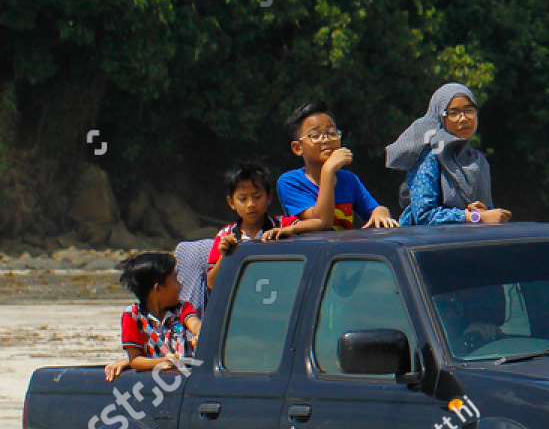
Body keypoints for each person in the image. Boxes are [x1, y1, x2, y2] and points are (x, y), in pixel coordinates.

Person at [385, 84, 512, 226]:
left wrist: (480, 212)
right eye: (453, 113)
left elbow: (487, 215)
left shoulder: (478, 160)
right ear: (440, 118)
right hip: (426, 245)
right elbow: (424, 216)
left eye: (469, 110)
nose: (463, 118)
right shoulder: (430, 159)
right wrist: (474, 217)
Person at [277, 101, 398, 232]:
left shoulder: (349, 179)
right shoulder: (290, 182)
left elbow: (374, 208)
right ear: (297, 148)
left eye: (332, 133)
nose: (327, 140)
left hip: (343, 251)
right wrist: (328, 171)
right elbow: (323, 222)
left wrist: (381, 212)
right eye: (316, 136)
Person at [205, 162, 314, 290]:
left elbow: (320, 223)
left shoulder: (281, 224)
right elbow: (211, 284)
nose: (251, 204)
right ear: (231, 202)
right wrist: (224, 256)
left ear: (269, 197)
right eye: (242, 199)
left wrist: (289, 230)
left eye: (257, 197)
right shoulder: (225, 235)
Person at [103, 253, 200, 381]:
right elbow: (135, 360)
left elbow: (194, 323)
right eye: (175, 280)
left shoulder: (183, 308)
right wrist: (162, 362)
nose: (180, 285)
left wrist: (199, 334)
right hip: (155, 383)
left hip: (184, 380)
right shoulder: (133, 315)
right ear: (158, 288)